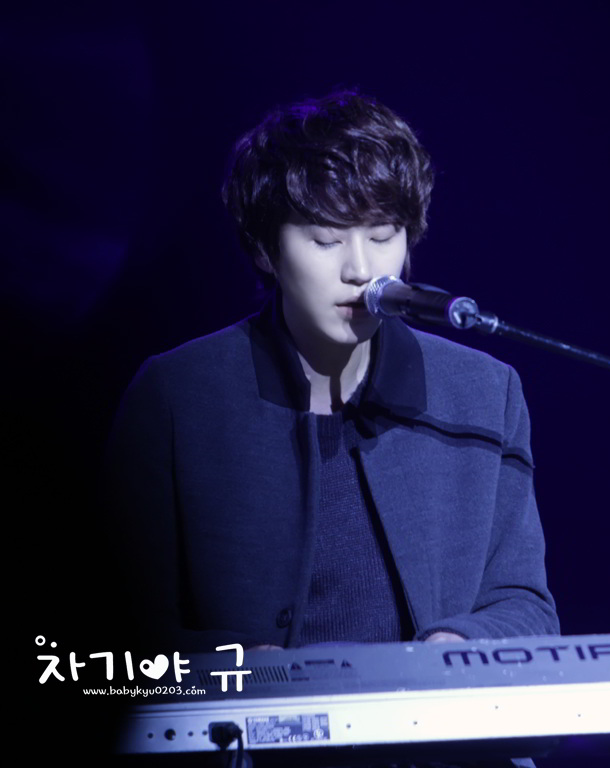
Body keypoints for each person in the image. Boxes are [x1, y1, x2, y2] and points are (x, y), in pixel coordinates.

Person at [105, 90, 558, 654]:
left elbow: (525, 605)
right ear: (264, 250)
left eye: (383, 236)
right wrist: (238, 664)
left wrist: (457, 643)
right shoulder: (178, 396)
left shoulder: (484, 392)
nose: (361, 270)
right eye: (325, 240)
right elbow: (120, 621)